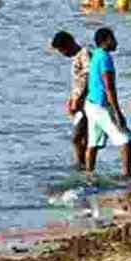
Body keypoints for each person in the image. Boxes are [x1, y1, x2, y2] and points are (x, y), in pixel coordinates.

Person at [83, 28, 131, 177]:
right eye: (113, 38)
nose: (116, 42)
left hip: (91, 103)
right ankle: (127, 174)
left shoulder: (96, 55)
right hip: (101, 105)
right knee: (126, 138)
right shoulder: (105, 58)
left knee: (93, 143)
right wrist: (117, 112)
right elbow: (109, 87)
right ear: (105, 41)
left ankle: (88, 174)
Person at [51, 31, 91, 169]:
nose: (63, 54)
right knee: (82, 137)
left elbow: (87, 77)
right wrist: (72, 98)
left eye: (62, 50)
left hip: (86, 102)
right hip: (80, 102)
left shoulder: (84, 54)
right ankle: (84, 164)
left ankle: (82, 165)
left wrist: (77, 99)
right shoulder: (77, 57)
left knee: (77, 137)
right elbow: (78, 82)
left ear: (68, 44)